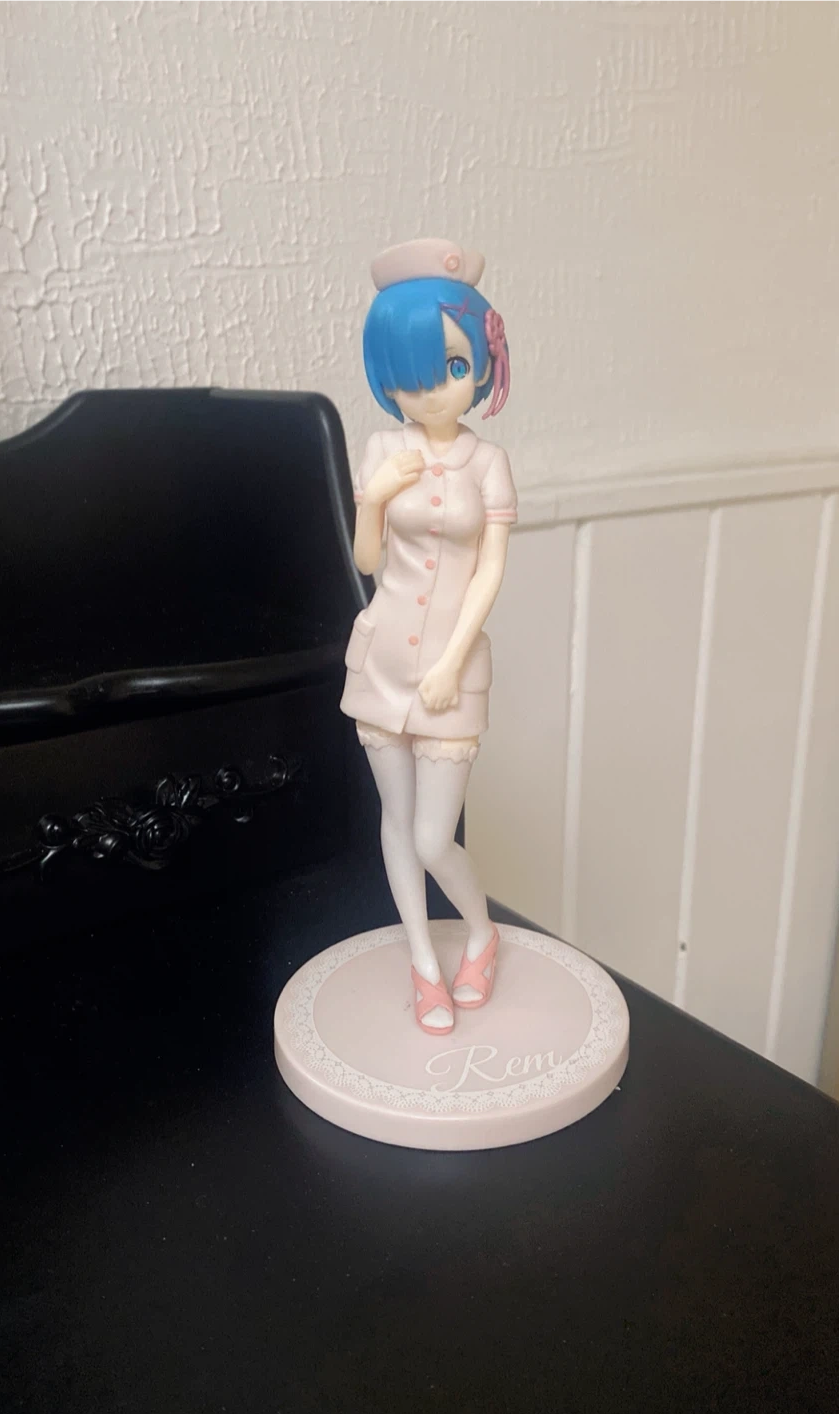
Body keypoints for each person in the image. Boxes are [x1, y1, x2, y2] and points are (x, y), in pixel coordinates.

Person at [341, 238, 515, 1035]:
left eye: (450, 367)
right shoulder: (383, 450)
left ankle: (480, 932)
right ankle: (422, 963)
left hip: (451, 671)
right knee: (395, 820)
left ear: (480, 362)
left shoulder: (489, 464)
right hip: (382, 660)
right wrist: (373, 499)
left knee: (434, 835)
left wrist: (450, 663)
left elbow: (489, 571)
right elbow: (366, 562)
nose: (431, 390)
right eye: (409, 375)